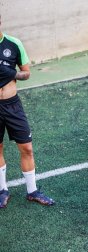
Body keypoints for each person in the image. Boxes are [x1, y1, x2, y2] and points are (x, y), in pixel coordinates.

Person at [0, 15, 54, 208]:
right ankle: (2, 190)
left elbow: (26, 73)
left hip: (12, 105)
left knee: (27, 148)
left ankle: (32, 191)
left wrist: (11, 73)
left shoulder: (13, 44)